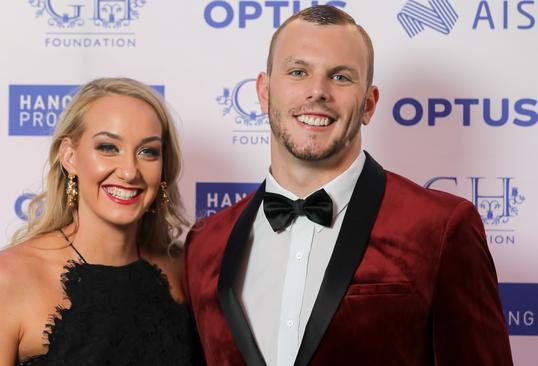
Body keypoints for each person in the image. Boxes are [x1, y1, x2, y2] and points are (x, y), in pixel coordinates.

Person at [184, 5, 513, 366]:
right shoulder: (206, 242)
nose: (317, 91)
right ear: (264, 92)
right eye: (298, 71)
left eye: (340, 77)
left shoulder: (440, 227)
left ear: (369, 104)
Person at [0, 78, 203, 365]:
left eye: (148, 152)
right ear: (69, 156)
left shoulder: (186, 271)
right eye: (108, 147)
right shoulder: (1, 281)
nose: (130, 171)